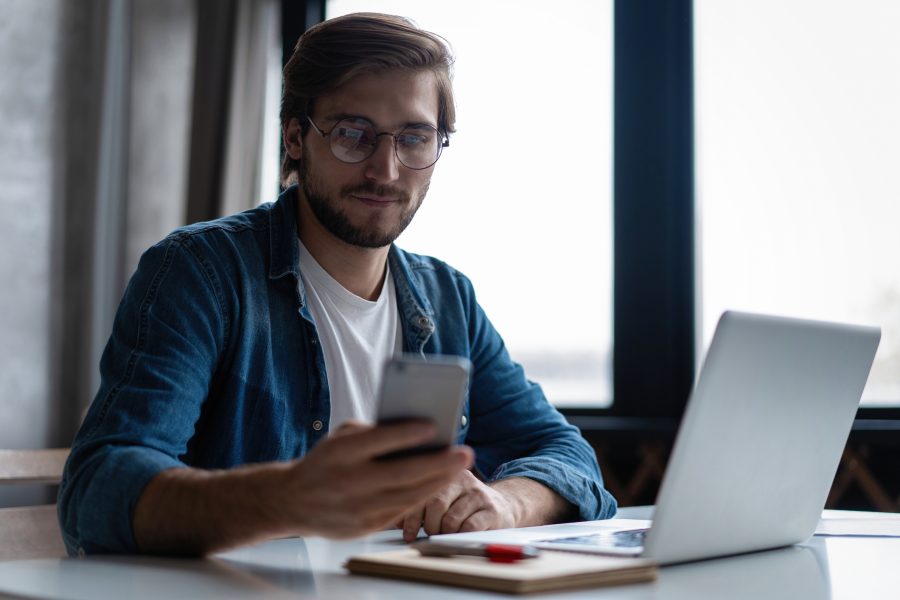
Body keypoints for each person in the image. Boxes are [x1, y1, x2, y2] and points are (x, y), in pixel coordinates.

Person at [57, 12, 617, 556]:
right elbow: (98, 488)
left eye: (414, 138)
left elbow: (565, 453)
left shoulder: (449, 300)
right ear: (296, 137)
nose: (386, 170)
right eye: (353, 134)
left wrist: (506, 506)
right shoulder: (201, 273)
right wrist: (286, 498)